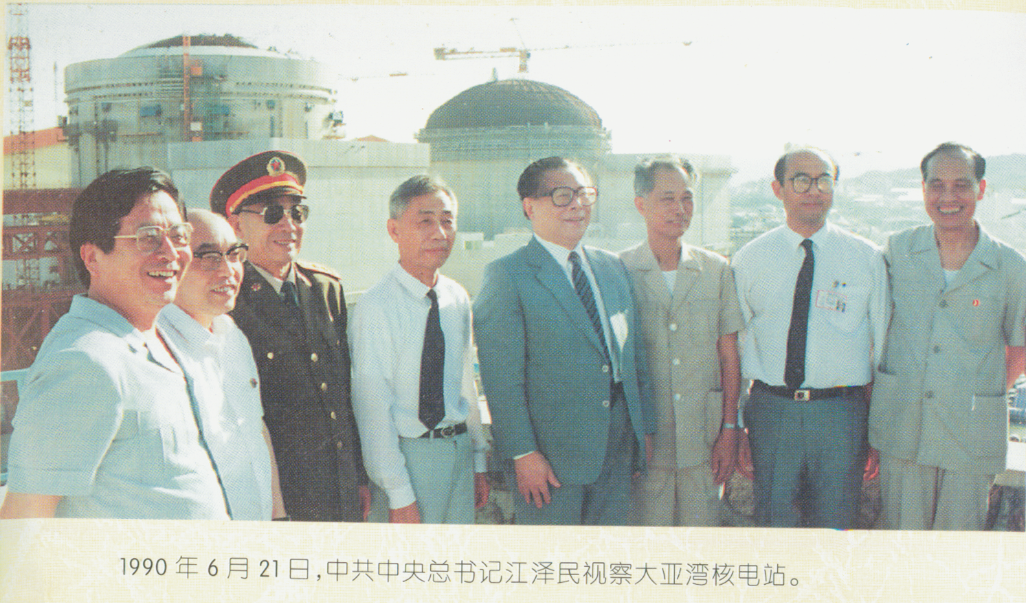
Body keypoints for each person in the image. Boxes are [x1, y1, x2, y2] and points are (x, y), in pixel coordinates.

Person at [2, 168, 229, 519]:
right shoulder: (83, 362)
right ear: (92, 257)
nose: (171, 252)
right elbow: (26, 517)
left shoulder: (155, 339)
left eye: (178, 235)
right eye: (148, 237)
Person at [474, 156, 654, 525]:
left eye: (584, 194)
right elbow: (502, 380)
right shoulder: (508, 275)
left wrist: (642, 430)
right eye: (562, 196)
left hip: (618, 450)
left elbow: (632, 357)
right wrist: (523, 454)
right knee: (554, 557)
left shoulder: (612, 267)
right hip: (550, 462)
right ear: (530, 207)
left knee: (606, 556)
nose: (577, 205)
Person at [869, 142, 1026, 530]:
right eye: (937, 185)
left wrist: (978, 393)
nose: (948, 197)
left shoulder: (1010, 265)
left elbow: (1020, 348)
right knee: (901, 542)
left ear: (981, 189)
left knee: (957, 547)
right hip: (904, 426)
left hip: (971, 434)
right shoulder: (897, 250)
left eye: (961, 185)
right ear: (923, 190)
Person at [732, 147, 888, 529]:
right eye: (801, 180)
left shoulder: (867, 258)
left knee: (836, 527)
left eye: (824, 180)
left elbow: (882, 349)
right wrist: (736, 425)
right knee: (774, 526)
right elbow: (734, 348)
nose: (813, 190)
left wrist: (877, 429)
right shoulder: (749, 259)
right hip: (771, 411)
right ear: (778, 189)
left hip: (841, 415)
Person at [210, 150, 367, 522]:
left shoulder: (325, 289)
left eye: (297, 213)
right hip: (279, 501)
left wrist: (358, 477)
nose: (289, 225)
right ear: (235, 225)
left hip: (341, 490)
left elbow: (344, 395)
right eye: (272, 214)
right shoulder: (226, 303)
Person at [350, 175, 489, 524]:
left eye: (447, 221)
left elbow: (465, 384)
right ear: (394, 230)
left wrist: (478, 460)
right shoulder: (376, 306)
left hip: (459, 452)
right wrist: (398, 493)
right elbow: (373, 408)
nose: (439, 233)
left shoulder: (456, 297)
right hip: (409, 459)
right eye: (425, 221)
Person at [619, 156, 744, 526]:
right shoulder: (620, 270)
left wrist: (729, 429)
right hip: (646, 443)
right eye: (667, 198)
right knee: (648, 545)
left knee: (701, 542)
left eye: (687, 198)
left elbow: (729, 355)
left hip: (703, 439)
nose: (680, 208)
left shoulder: (715, 270)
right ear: (641, 204)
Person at [158, 209, 287, 520]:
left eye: (234, 254)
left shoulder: (232, 334)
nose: (228, 271)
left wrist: (279, 517)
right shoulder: (156, 349)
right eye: (209, 258)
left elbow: (255, 429)